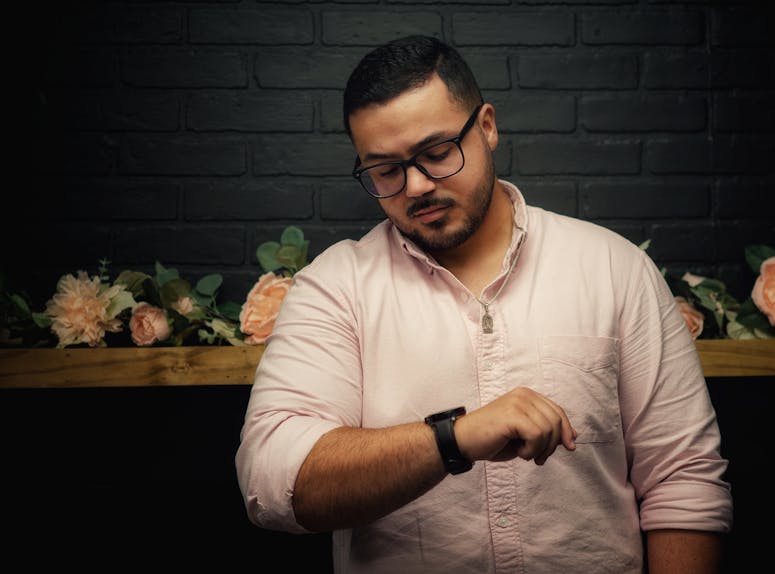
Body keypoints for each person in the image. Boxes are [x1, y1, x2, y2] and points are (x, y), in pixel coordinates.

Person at [235, 35, 732, 574]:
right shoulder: (334, 288)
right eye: (385, 170)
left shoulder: (614, 269)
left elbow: (683, 479)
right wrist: (452, 438)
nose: (417, 185)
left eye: (438, 152)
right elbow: (273, 487)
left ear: (487, 127)